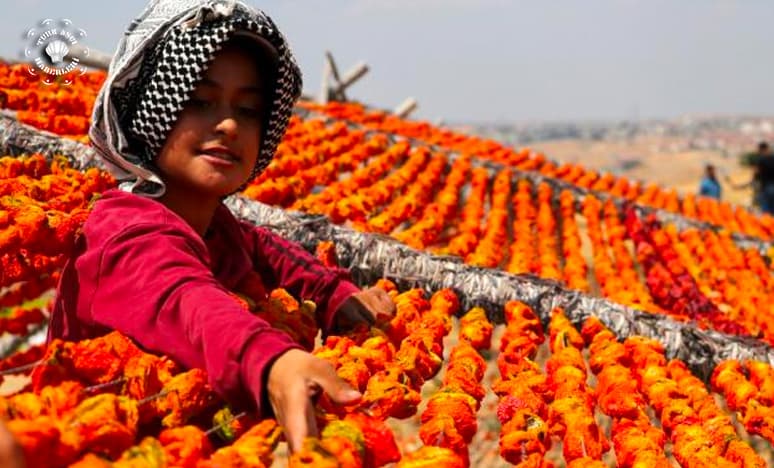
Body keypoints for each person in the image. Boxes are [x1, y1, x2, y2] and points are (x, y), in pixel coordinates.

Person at [47, 0, 395, 453]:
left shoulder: (216, 227)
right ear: (152, 108)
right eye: (199, 101)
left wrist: (336, 296)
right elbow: (186, 301)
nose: (229, 124)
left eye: (249, 110)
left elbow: (265, 250)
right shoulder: (124, 235)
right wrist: (271, 363)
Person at [730, 142, 774, 214]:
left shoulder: (761, 160)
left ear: (761, 150)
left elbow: (755, 177)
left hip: (766, 189)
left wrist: (740, 186)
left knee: (767, 215)